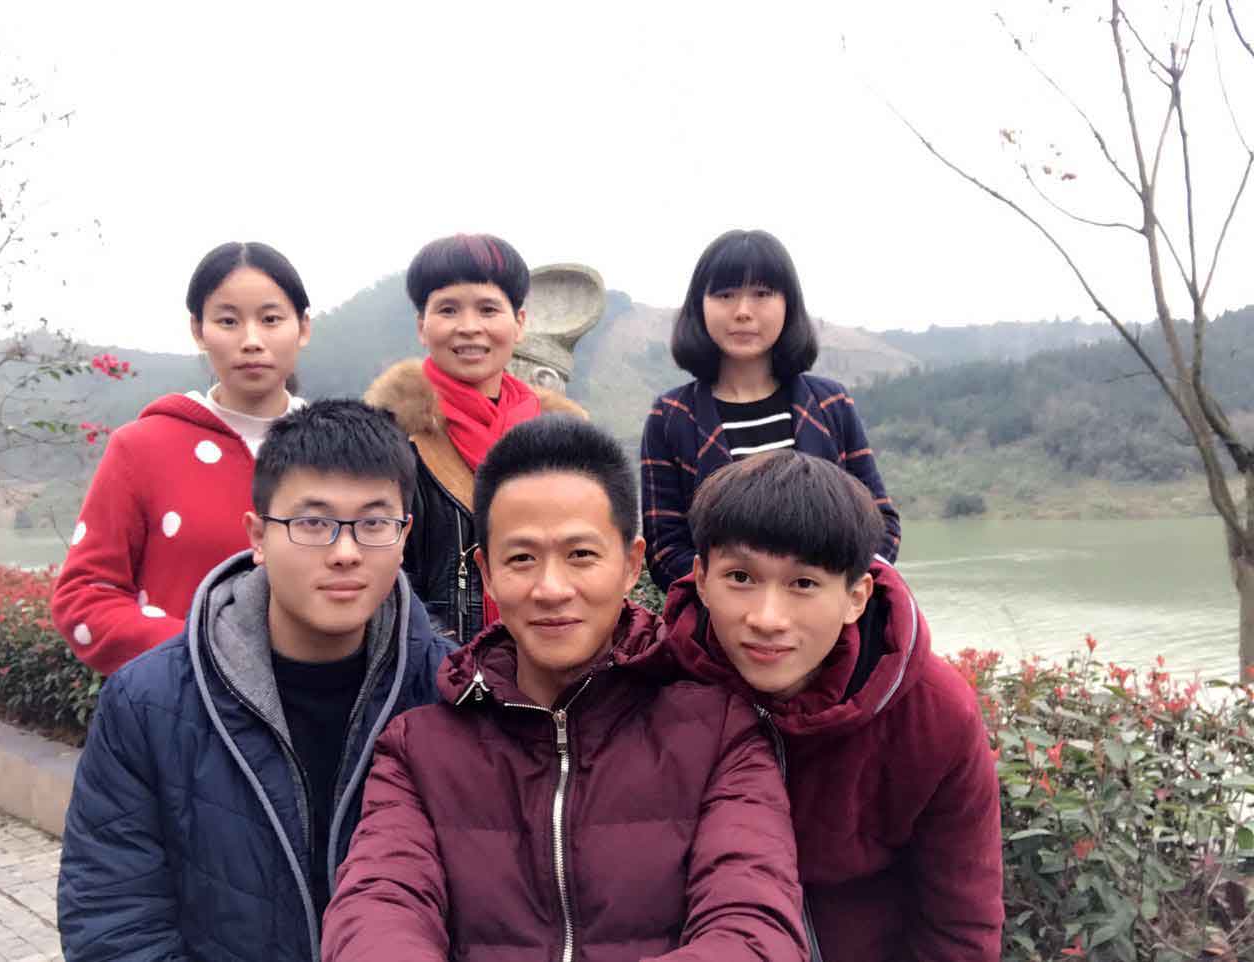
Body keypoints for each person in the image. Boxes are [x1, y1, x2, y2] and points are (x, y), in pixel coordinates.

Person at [322, 416, 808, 962]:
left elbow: (752, 927)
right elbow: (377, 908)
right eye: (521, 558)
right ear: (486, 572)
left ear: (631, 564)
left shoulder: (719, 733)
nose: (551, 589)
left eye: (581, 555)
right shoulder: (418, 750)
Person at [57, 399, 455, 962]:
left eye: (373, 523)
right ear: (258, 536)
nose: (345, 552)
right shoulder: (149, 703)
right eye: (313, 523)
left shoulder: (450, 693)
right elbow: (113, 920)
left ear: (405, 533)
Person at [660, 451, 1003, 961]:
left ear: (856, 597)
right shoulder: (655, 686)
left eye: (803, 583)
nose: (768, 619)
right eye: (741, 578)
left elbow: (960, 925)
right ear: (701, 579)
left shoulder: (934, 715)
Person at [52, 240, 313, 675]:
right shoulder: (143, 447)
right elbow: (85, 596)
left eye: (270, 319)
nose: (251, 341)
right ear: (198, 329)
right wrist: (202, 652)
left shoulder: (341, 447)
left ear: (303, 327)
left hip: (325, 707)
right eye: (228, 321)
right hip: (179, 703)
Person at [640, 228, 900, 591]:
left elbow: (881, 524)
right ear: (700, 305)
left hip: (828, 617)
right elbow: (665, 549)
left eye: (762, 294)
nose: (743, 312)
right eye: (725, 294)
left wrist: (820, 593)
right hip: (719, 620)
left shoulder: (830, 404)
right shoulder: (671, 416)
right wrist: (738, 597)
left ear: (788, 304)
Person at [364, 233, 585, 645]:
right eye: (448, 309)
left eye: (488, 309)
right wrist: (446, 658)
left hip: (552, 654)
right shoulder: (389, 437)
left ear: (519, 323)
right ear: (422, 326)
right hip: (436, 664)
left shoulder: (564, 438)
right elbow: (376, 575)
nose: (469, 327)